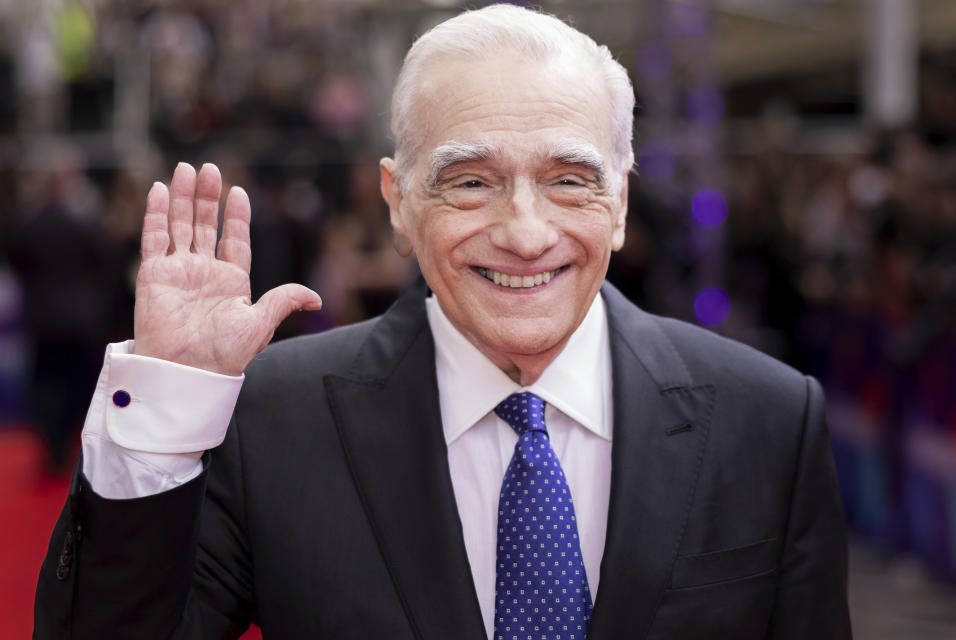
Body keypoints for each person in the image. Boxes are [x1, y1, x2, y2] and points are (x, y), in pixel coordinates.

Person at [35, 5, 851, 639]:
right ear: (398, 202)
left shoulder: (769, 420)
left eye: (570, 180)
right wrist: (168, 398)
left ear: (622, 202)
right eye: (471, 183)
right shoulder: (269, 420)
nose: (526, 232)